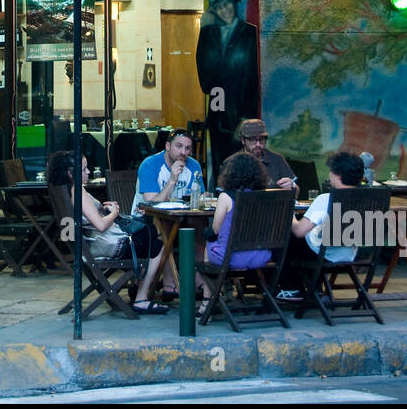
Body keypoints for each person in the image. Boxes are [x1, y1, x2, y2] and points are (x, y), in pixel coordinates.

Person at [47, 150, 169, 315]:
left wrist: (103, 209)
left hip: (89, 246)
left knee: (150, 237)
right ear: (70, 173)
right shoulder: (79, 192)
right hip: (105, 245)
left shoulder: (66, 191)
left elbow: (89, 218)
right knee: (157, 240)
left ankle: (137, 285)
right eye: (83, 169)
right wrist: (114, 212)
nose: (88, 172)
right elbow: (101, 226)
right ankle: (141, 297)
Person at [196, 0, 260, 177]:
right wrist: (217, 111)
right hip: (219, 113)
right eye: (219, 6)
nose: (225, 10)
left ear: (234, 1)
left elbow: (253, 79)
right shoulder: (208, 35)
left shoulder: (249, 33)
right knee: (220, 169)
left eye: (227, 3)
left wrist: (246, 117)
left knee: (243, 168)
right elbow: (207, 81)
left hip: (242, 113)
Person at [198, 151, 274, 312]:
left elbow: (215, 230)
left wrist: (207, 233)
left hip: (230, 258)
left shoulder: (226, 197)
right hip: (261, 257)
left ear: (230, 173)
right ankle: (266, 298)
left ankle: (206, 302)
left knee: (208, 243)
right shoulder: (265, 197)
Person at [289, 150, 366, 267]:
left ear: (338, 174)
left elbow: (299, 231)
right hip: (349, 255)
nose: (329, 175)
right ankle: (313, 284)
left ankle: (290, 285)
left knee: (287, 238)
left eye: (331, 171)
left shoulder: (326, 199)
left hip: (322, 256)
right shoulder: (367, 200)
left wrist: (291, 215)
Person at [130, 129, 204, 216]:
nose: (183, 152)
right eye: (179, 146)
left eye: (187, 148)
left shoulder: (194, 165)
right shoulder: (150, 164)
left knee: (201, 222)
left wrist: (203, 198)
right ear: (168, 146)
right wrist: (172, 180)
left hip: (182, 216)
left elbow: (198, 199)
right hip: (147, 219)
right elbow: (151, 205)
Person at [238, 118, 296, 191]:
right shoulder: (232, 163)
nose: (258, 144)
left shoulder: (277, 159)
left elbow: (296, 190)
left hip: (274, 202)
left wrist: (292, 185)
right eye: (253, 140)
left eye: (261, 139)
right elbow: (222, 195)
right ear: (243, 140)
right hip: (245, 202)